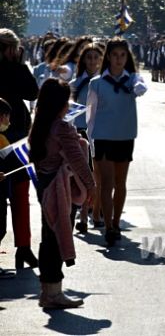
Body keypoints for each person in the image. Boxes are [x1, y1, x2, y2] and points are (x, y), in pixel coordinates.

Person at [29, 78, 95, 308]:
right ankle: (53, 293)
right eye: (67, 100)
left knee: (49, 236)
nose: (69, 104)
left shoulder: (39, 125)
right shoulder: (62, 127)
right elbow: (78, 161)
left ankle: (48, 291)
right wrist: (91, 186)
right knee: (57, 237)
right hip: (60, 189)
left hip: (43, 185)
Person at [86, 38, 147, 245]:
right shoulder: (97, 83)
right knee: (107, 182)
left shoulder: (132, 80)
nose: (119, 59)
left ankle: (116, 221)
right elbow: (90, 115)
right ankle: (109, 226)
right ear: (108, 57)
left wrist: (137, 84)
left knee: (121, 182)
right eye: (114, 55)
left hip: (125, 135)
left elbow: (141, 87)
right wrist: (91, 140)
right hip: (103, 137)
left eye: (123, 55)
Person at [0, 28, 39, 270]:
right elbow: (31, 91)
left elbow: (32, 92)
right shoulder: (15, 69)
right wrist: (20, 65)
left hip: (16, 134)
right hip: (11, 134)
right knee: (18, 194)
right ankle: (22, 246)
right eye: (13, 48)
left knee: (16, 192)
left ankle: (23, 247)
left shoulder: (14, 68)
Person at [69, 43, 104, 233]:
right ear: (83, 60)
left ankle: (96, 212)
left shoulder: (105, 82)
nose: (92, 61)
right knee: (84, 175)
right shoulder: (75, 84)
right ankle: (83, 215)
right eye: (88, 57)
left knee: (100, 174)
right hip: (80, 133)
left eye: (95, 57)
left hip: (102, 133)